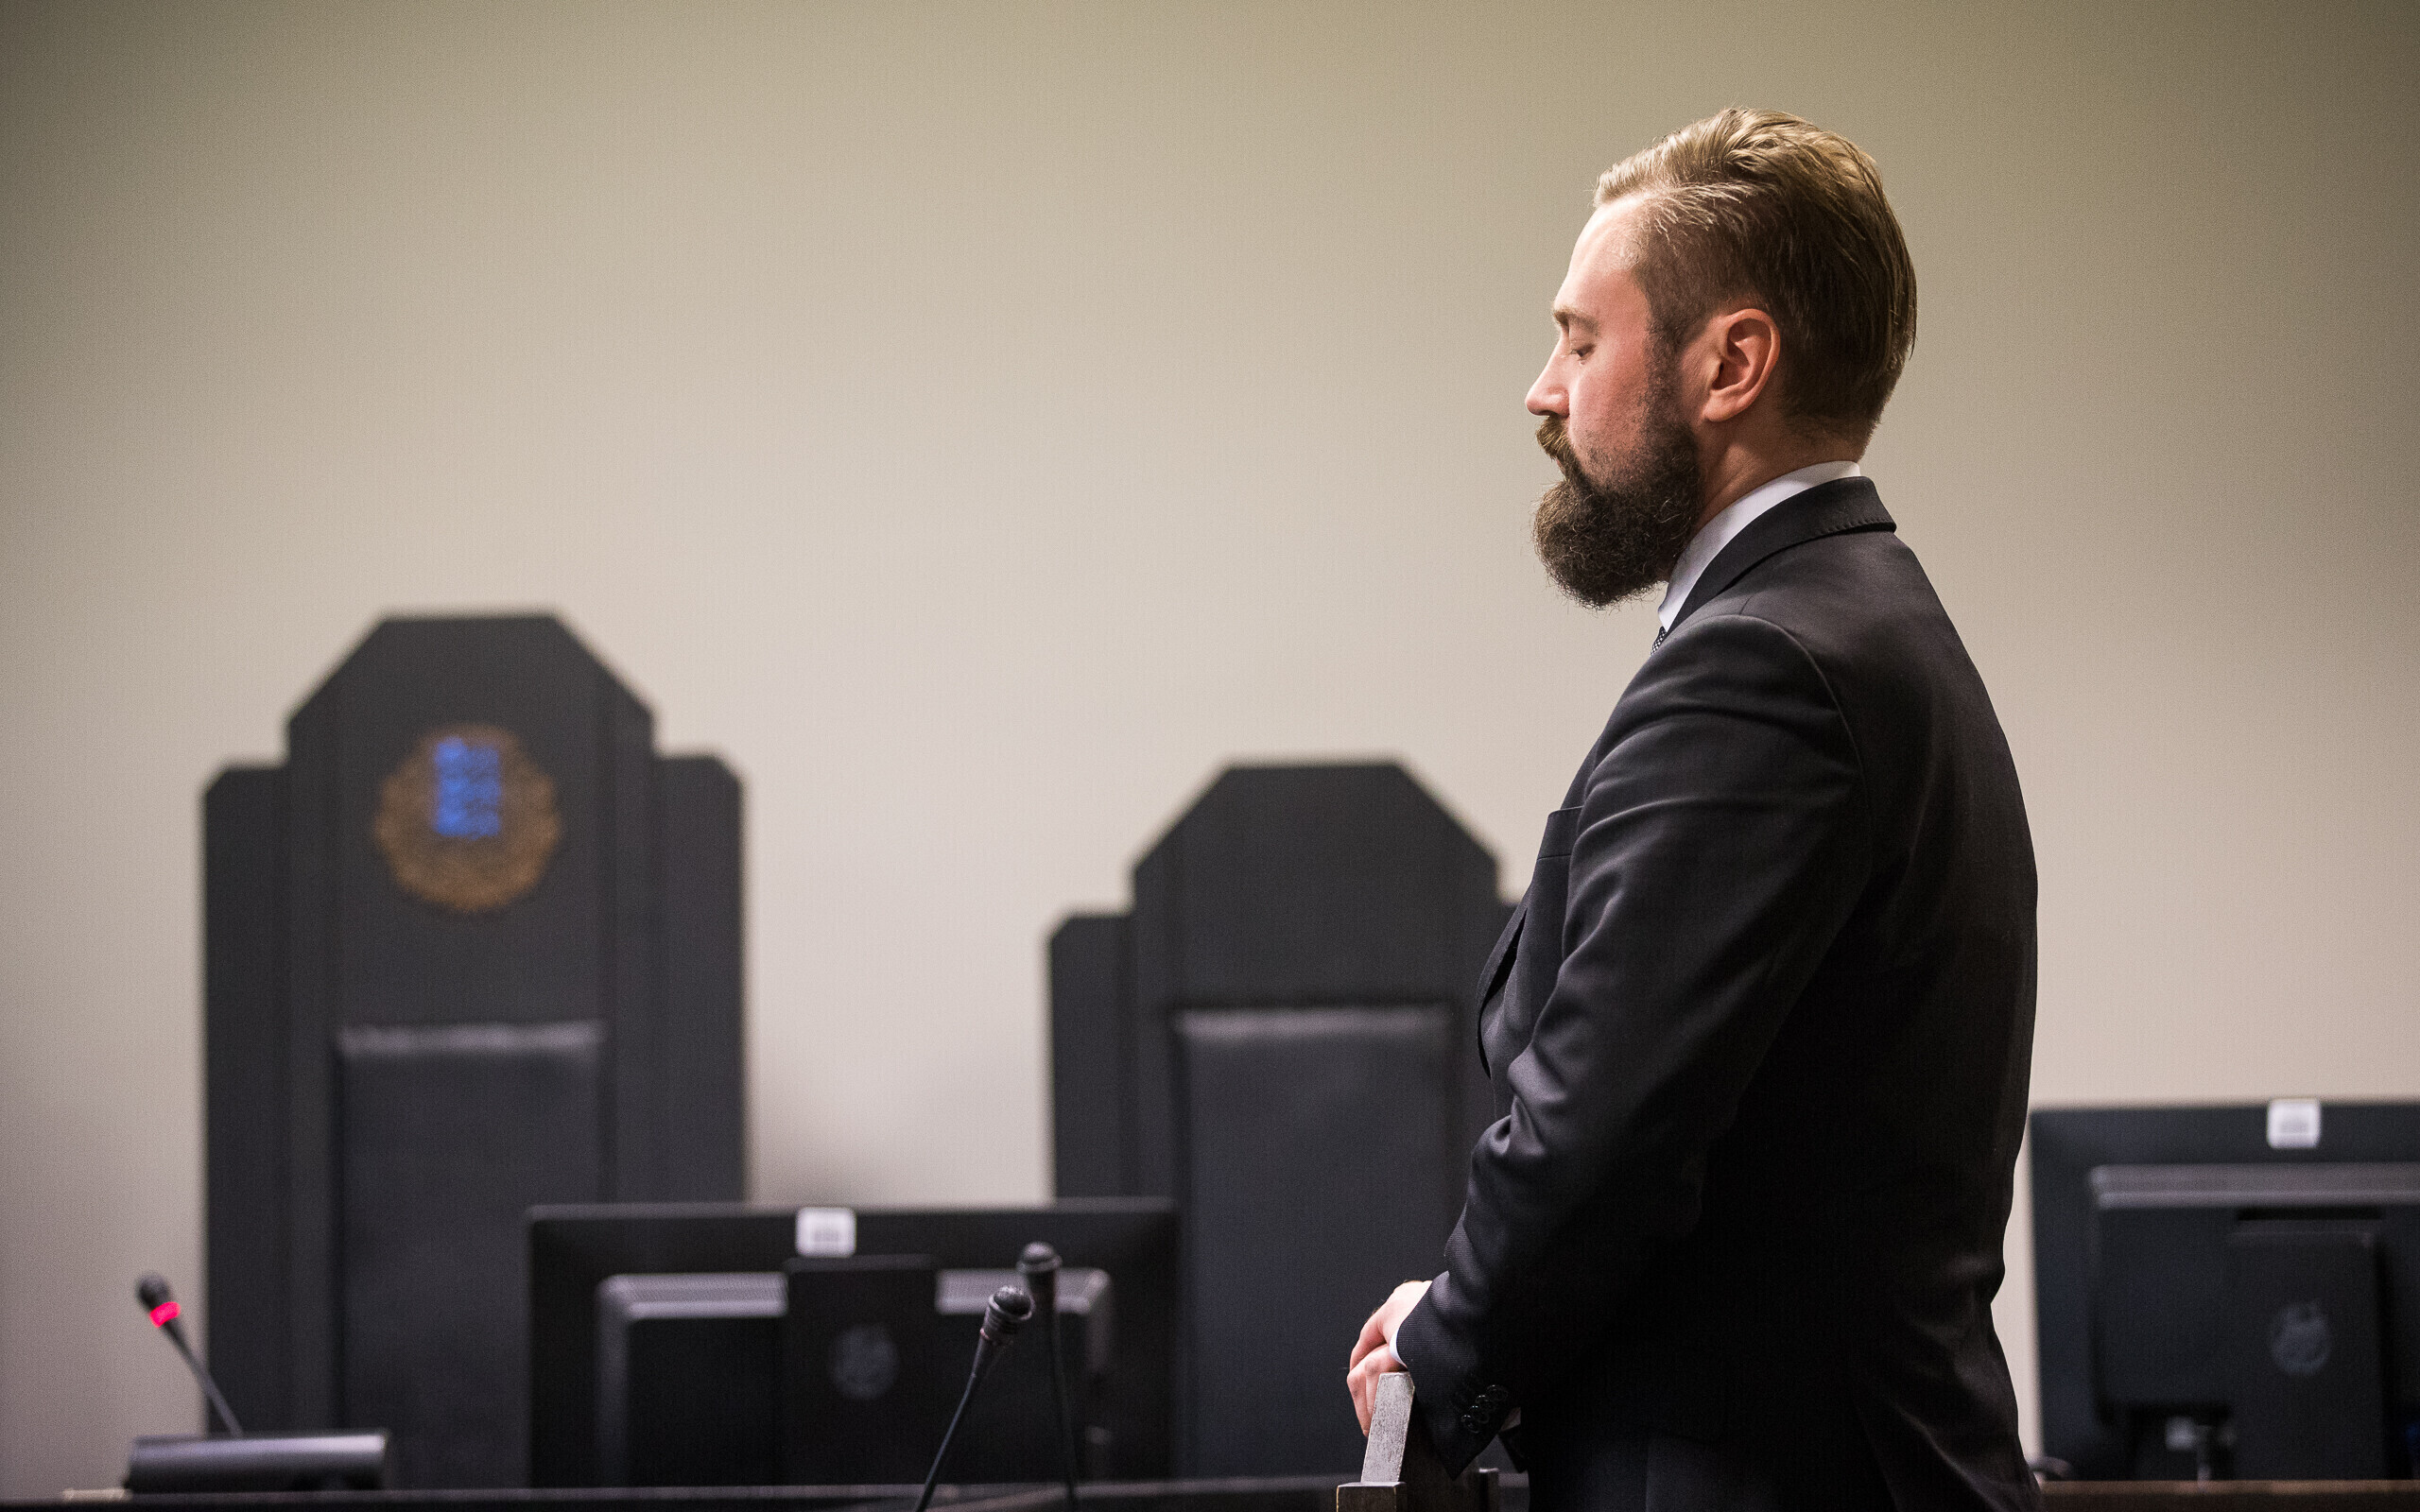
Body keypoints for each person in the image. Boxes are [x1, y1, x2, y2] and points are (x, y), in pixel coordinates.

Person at [1345, 110, 2040, 1510]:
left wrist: (1442, 1347)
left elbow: (1606, 1127)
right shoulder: (1865, 624)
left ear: (1731, 364)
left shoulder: (1765, 666)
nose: (1542, 393)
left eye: (1580, 341)